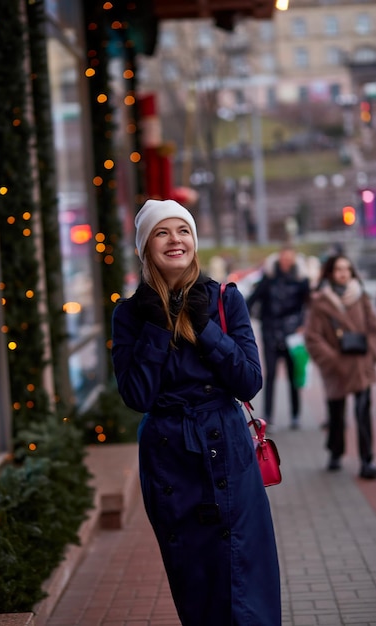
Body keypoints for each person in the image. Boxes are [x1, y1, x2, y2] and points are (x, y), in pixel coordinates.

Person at [111, 198, 281, 626]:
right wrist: (153, 330)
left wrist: (205, 329)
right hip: (170, 461)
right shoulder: (130, 315)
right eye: (162, 232)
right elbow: (137, 395)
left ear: (194, 241)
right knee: (196, 581)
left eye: (183, 231)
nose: (175, 240)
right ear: (146, 245)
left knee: (245, 578)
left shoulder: (225, 299)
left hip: (227, 449)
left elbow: (248, 381)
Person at [304, 254, 376, 479]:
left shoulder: (361, 295)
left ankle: (367, 461)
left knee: (363, 412)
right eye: (338, 269)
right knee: (336, 413)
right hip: (336, 365)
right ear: (330, 273)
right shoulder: (321, 301)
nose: (343, 273)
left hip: (360, 363)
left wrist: (371, 352)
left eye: (347, 269)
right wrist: (332, 359)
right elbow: (313, 337)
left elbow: (372, 326)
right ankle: (336, 452)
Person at [246, 246, 310, 430]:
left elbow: (309, 305)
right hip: (271, 333)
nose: (286, 262)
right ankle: (269, 416)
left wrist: (303, 325)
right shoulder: (269, 279)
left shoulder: (301, 280)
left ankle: (296, 415)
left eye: (289, 259)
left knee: (293, 375)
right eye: (283, 259)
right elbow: (252, 300)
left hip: (292, 334)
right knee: (271, 375)